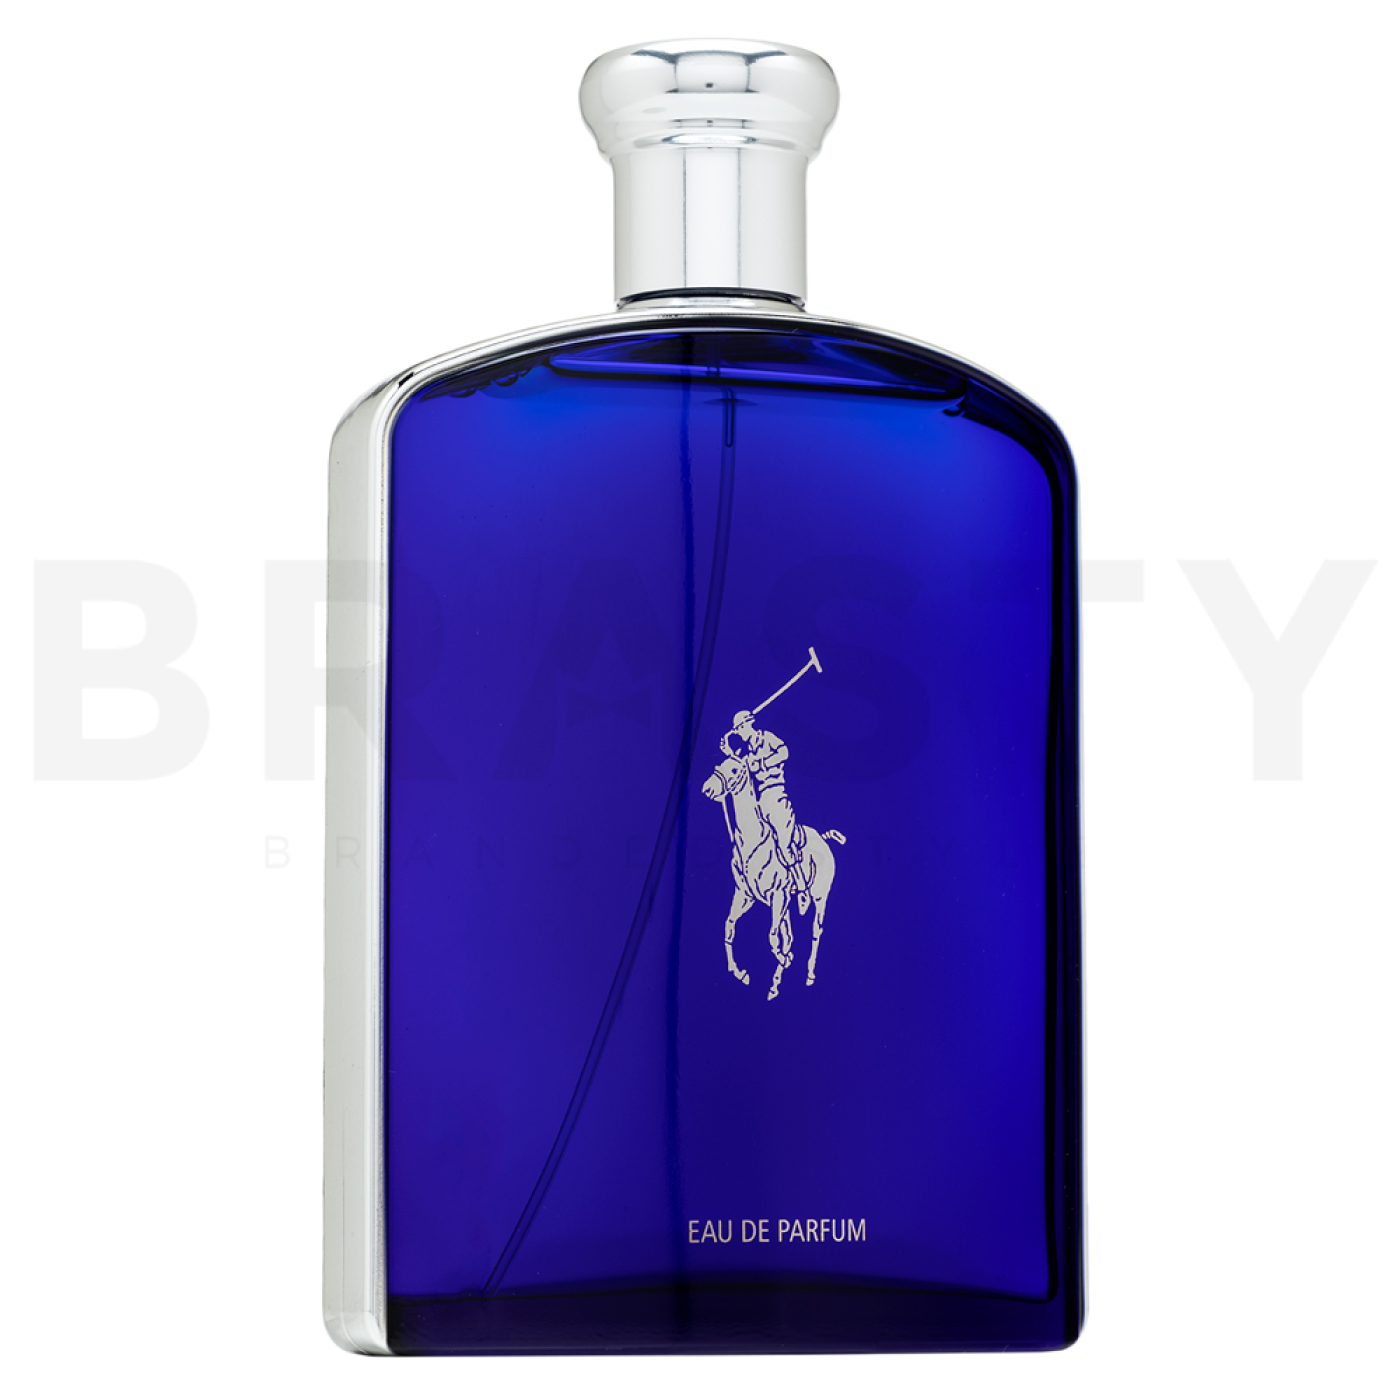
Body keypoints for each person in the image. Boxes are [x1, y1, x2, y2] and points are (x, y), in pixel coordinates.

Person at [723, 710, 808, 891]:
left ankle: (801, 884)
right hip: (760, 799)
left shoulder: (766, 738)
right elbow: (740, 769)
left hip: (776, 796)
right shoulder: (746, 752)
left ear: (747, 725)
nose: (739, 733)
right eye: (736, 730)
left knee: (783, 845)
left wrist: (763, 763)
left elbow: (784, 752)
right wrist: (729, 753)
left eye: (739, 729)